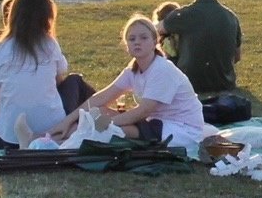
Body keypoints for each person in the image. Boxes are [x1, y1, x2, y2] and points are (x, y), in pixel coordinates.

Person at [52, 14, 210, 151]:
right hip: (154, 124)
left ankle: (76, 138)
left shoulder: (162, 69)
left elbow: (143, 111)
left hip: (180, 130)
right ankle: (59, 137)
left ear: (155, 41)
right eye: (132, 39)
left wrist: (109, 124)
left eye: (144, 37)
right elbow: (102, 97)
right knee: (97, 112)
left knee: (122, 128)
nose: (137, 42)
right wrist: (68, 120)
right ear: (126, 45)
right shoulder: (133, 69)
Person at [0, 0, 87, 148]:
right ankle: (94, 118)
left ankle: (28, 139)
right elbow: (58, 81)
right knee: (75, 81)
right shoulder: (50, 44)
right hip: (53, 129)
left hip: (9, 138)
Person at [161, 0, 245, 95]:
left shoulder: (183, 15)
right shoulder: (231, 17)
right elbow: (237, 57)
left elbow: (157, 29)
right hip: (225, 83)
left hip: (189, 84)